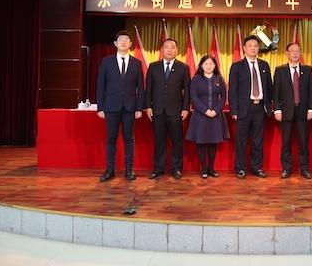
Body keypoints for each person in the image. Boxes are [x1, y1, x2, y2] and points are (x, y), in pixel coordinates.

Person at [96, 30, 144, 182]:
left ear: (130, 44)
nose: (123, 42)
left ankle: (129, 170)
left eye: (126, 39)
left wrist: (139, 108)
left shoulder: (137, 63)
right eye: (121, 39)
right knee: (111, 139)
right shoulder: (106, 62)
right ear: (115, 43)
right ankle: (109, 170)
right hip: (111, 107)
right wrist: (100, 107)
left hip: (130, 108)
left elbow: (140, 87)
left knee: (129, 139)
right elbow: (100, 85)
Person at [145, 38, 190, 180]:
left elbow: (187, 90)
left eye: (172, 47)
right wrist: (148, 106)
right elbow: (149, 89)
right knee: (159, 141)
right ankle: (158, 169)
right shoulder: (153, 67)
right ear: (162, 50)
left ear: (177, 50)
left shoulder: (183, 67)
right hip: (157, 110)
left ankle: (176, 168)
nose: (169, 50)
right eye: (166, 47)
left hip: (176, 111)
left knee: (177, 142)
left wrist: (185, 108)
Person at [228, 36, 273, 179]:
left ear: (258, 48)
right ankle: (240, 168)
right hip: (243, 109)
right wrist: (234, 110)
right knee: (241, 141)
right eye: (250, 45)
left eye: (255, 46)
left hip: (260, 108)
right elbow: (232, 90)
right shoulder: (237, 66)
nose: (253, 48)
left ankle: (257, 167)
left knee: (258, 140)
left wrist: (269, 107)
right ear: (244, 48)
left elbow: (269, 88)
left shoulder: (264, 65)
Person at [273, 42, 312, 179]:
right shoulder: (280, 70)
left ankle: (304, 168)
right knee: (286, 142)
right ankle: (286, 168)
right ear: (287, 53)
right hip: (286, 111)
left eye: (298, 51)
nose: (295, 53)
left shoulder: (308, 70)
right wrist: (277, 110)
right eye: (292, 51)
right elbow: (276, 92)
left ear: (300, 53)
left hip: (303, 111)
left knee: (303, 141)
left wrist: (311, 109)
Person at [185, 55, 229, 178]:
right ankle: (203, 169)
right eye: (206, 64)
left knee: (212, 142)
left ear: (215, 66)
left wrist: (216, 110)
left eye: (211, 64)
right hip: (200, 115)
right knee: (201, 142)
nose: (208, 66)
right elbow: (194, 97)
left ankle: (211, 168)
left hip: (216, 115)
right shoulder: (196, 79)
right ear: (201, 66)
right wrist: (205, 110)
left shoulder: (219, 79)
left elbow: (223, 97)